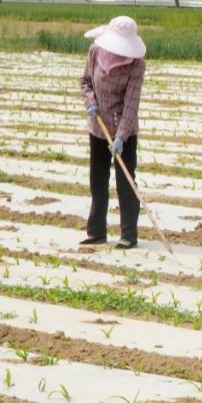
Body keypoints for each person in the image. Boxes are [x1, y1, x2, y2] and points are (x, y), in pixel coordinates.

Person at [79, 16, 147, 249]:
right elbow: (85, 82)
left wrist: (121, 135)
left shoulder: (136, 65)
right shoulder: (95, 52)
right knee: (97, 181)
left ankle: (129, 235)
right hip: (97, 126)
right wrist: (90, 101)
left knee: (125, 183)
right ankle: (96, 232)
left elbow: (131, 104)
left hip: (123, 131)